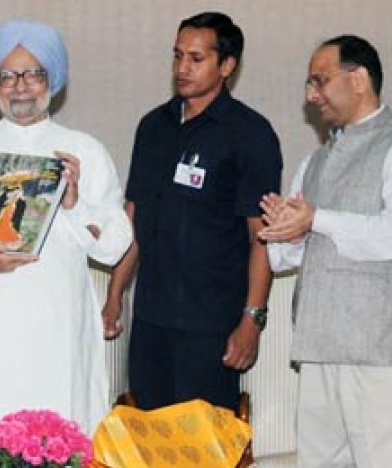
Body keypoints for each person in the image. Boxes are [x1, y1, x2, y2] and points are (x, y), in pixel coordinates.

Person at [0, 19, 132, 468]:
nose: (20, 87)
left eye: (33, 74)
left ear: (53, 80)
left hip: (61, 334)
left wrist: (74, 205)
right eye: (7, 75)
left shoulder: (85, 151)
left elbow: (115, 248)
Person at [259, 35, 392, 468]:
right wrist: (285, 232)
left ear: (358, 79)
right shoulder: (315, 162)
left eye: (320, 81)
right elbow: (287, 259)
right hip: (320, 344)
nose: (311, 95)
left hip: (384, 349)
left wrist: (316, 219)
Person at [103, 12, 282, 411]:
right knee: (149, 438)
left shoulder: (250, 134)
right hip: (151, 320)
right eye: (178, 55)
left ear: (227, 65)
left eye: (196, 58)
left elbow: (262, 236)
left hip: (211, 326)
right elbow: (135, 216)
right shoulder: (153, 127)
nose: (182, 68)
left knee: (203, 444)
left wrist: (252, 320)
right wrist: (115, 295)